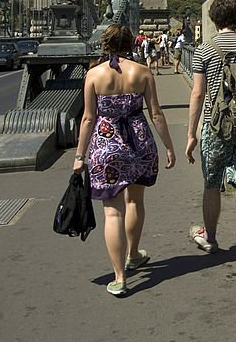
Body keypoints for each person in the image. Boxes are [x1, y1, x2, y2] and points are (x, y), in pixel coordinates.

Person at [73, 24, 176, 296]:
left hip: (106, 147)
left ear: (105, 44)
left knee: (112, 211)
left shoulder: (94, 75)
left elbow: (88, 118)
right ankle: (133, 254)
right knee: (135, 201)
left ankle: (119, 277)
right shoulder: (142, 72)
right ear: (131, 43)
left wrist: (79, 155)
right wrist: (168, 147)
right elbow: (156, 114)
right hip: (139, 143)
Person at [185, 0, 236, 286]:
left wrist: (191, 133)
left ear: (214, 19)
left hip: (215, 126)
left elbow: (197, 94)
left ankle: (210, 237)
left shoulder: (204, 50)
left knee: (212, 185)